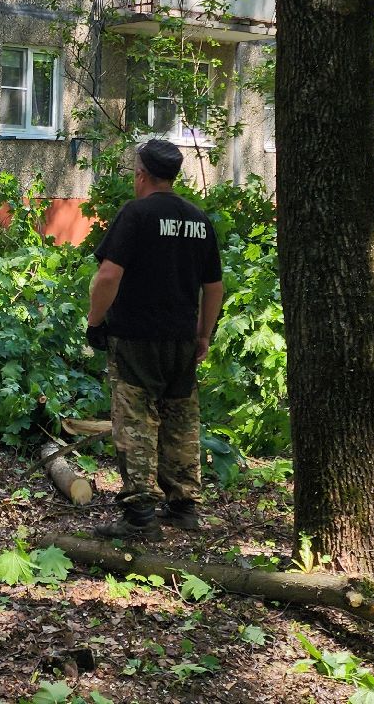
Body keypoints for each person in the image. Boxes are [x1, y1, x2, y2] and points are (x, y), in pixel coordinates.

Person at [84, 138, 224, 539]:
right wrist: (203, 334)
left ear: (141, 174)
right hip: (181, 338)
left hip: (135, 337)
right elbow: (213, 286)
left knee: (135, 420)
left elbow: (108, 276)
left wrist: (95, 322)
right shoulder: (198, 219)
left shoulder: (136, 214)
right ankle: (182, 507)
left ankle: (139, 516)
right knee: (180, 419)